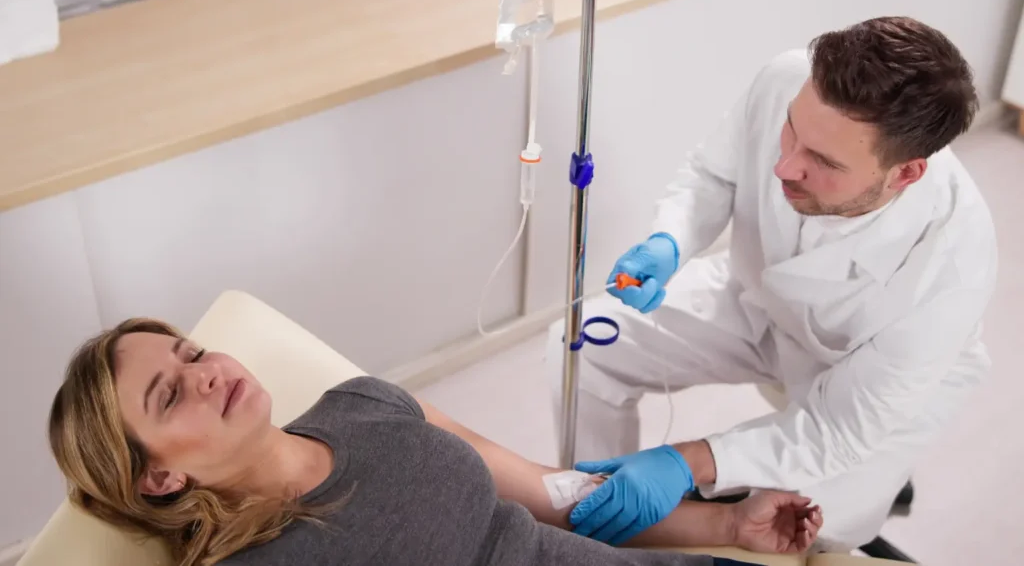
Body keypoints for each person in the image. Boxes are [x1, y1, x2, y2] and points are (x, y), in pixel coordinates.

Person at [545, 16, 997, 551]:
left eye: (823, 162)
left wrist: (685, 462)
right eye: (791, 132)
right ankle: (598, 519)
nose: (784, 166)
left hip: (864, 380)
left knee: (799, 525)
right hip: (757, 297)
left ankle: (880, 484)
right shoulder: (790, 79)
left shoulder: (950, 268)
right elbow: (716, 173)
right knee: (581, 345)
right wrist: (670, 241)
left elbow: (837, 431)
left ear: (905, 174)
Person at [48, 318, 823, 566]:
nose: (206, 373)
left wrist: (725, 522)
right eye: (170, 392)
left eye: (190, 353)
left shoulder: (367, 404)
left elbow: (556, 495)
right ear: (157, 478)